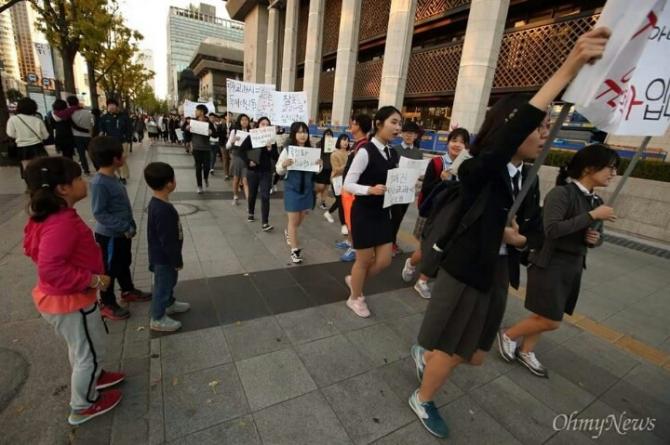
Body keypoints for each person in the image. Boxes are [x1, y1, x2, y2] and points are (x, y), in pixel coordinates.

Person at [407, 27, 611, 438]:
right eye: (539, 127)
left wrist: (527, 237)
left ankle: (428, 352)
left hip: (497, 274)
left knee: (478, 355)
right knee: (452, 348)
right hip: (466, 271)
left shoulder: (530, 178)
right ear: (511, 131)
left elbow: (537, 229)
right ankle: (423, 397)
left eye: (547, 127)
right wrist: (569, 68)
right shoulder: (479, 167)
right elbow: (507, 141)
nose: (544, 135)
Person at [498, 144, 618, 377]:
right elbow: (551, 229)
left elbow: (597, 236)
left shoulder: (596, 202)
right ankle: (508, 334)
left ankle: (526, 350)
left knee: (544, 314)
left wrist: (595, 238)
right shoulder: (562, 193)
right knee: (551, 319)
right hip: (549, 262)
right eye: (610, 168)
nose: (613, 174)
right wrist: (592, 216)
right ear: (589, 168)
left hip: (573, 265)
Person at [23, 156, 124, 425]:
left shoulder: (54, 216)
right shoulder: (60, 223)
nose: (84, 182)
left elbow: (33, 249)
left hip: (68, 300)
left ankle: (96, 376)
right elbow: (50, 269)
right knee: (88, 353)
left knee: (84, 347)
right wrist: (92, 280)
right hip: (70, 301)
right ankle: (83, 405)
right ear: (63, 188)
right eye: (78, 178)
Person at [343, 107, 401, 317]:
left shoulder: (393, 152)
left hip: (383, 212)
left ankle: (355, 281)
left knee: (385, 260)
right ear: (379, 124)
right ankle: (354, 298)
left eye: (399, 124)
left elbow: (393, 179)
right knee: (364, 260)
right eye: (393, 122)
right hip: (365, 213)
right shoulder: (365, 151)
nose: (397, 128)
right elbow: (348, 183)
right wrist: (369, 190)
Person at [401, 128, 470, 299]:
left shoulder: (468, 165)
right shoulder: (437, 163)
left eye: (462, 142)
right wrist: (442, 180)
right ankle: (412, 264)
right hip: (434, 213)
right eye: (454, 140)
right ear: (448, 143)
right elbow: (427, 189)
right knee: (427, 248)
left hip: (455, 213)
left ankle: (422, 280)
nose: (457, 145)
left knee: (441, 247)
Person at [89, 136, 152, 320]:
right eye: (122, 154)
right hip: (109, 236)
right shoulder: (100, 183)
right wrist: (124, 225)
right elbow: (99, 213)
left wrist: (129, 225)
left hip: (122, 233)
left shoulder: (113, 176)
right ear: (115, 159)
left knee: (123, 263)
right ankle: (107, 303)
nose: (125, 155)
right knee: (109, 270)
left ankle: (128, 290)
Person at [143, 162, 191, 332]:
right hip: (164, 258)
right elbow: (168, 241)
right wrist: (176, 260)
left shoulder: (157, 204)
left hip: (162, 256)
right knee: (163, 286)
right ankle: (157, 318)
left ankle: (169, 304)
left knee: (170, 282)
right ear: (170, 183)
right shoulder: (163, 210)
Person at [276, 122, 323, 264]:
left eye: (305, 132)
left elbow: (317, 170)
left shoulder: (312, 149)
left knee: (299, 220)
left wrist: (319, 165)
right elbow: (279, 170)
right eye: (299, 132)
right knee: (293, 220)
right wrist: (284, 165)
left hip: (307, 189)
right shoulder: (288, 151)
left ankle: (289, 232)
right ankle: (295, 250)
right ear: (294, 134)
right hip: (292, 188)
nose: (303, 135)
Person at [338, 114, 372, 262]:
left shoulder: (363, 146)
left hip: (354, 191)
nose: (350, 125)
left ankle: (354, 246)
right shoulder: (357, 143)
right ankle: (350, 242)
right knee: (348, 217)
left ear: (358, 126)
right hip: (348, 189)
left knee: (353, 219)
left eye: (352, 123)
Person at [390, 121, 424, 256]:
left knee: (400, 217)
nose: (409, 136)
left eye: (412, 134)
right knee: (394, 217)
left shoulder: (418, 153)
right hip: (395, 190)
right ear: (402, 134)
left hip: (408, 191)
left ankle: (391, 242)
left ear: (416, 136)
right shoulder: (395, 150)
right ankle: (390, 243)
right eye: (407, 133)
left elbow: (420, 173)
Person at [247, 116, 279, 231]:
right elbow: (242, 151)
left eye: (267, 124)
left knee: (265, 196)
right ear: (258, 125)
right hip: (253, 171)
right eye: (262, 124)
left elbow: (276, 156)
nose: (265, 126)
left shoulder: (272, 140)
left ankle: (265, 222)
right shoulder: (251, 137)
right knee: (252, 194)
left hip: (266, 171)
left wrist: (270, 149)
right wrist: (248, 162)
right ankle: (251, 212)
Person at [6, 97, 49, 179]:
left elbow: (10, 134)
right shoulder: (37, 120)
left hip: (22, 148)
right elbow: (46, 136)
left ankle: (29, 187)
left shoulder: (13, 120)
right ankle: (40, 186)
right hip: (38, 147)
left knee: (27, 170)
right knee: (40, 169)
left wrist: (20, 135)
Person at [52, 95, 94, 175]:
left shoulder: (55, 115)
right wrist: (87, 130)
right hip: (70, 137)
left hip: (60, 138)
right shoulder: (69, 114)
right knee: (74, 154)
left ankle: (72, 170)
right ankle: (71, 170)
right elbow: (74, 125)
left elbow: (52, 127)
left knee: (73, 155)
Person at [97, 99, 132, 184]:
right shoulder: (104, 118)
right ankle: (120, 175)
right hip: (111, 143)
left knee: (122, 159)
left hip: (123, 141)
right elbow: (102, 130)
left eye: (113, 105)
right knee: (114, 160)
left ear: (117, 106)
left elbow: (129, 128)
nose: (111, 107)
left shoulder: (123, 116)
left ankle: (123, 177)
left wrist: (128, 138)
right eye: (109, 105)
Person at [325, 134, 351, 233]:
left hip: (347, 180)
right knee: (341, 202)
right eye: (343, 140)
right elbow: (336, 170)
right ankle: (343, 224)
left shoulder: (350, 153)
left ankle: (328, 212)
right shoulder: (334, 154)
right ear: (339, 141)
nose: (346, 142)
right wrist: (348, 163)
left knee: (340, 201)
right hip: (337, 180)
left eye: (347, 140)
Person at [187, 105, 216, 194]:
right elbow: (186, 131)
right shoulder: (193, 121)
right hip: (196, 148)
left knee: (207, 167)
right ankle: (199, 186)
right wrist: (187, 128)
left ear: (202, 112)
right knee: (198, 167)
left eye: (197, 110)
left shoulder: (208, 122)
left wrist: (211, 132)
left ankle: (206, 178)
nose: (195, 112)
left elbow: (214, 133)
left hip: (206, 148)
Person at [226, 113, 252, 205]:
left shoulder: (252, 131)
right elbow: (227, 146)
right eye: (242, 120)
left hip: (247, 158)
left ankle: (249, 202)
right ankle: (235, 196)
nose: (244, 121)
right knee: (236, 179)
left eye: (246, 120)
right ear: (239, 121)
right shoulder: (234, 131)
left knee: (245, 180)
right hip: (237, 157)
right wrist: (233, 140)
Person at [315, 128, 334, 211]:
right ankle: (313, 194)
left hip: (330, 167)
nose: (328, 136)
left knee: (326, 186)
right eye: (327, 134)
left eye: (330, 134)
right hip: (321, 168)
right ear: (324, 135)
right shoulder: (319, 144)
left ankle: (323, 202)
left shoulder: (333, 145)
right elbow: (315, 154)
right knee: (320, 186)